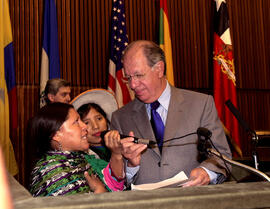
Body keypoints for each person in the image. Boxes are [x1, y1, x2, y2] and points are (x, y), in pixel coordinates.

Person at [110, 40, 232, 187]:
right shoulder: (120, 118)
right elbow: (116, 181)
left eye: (138, 75)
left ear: (159, 69)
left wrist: (207, 172)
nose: (133, 85)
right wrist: (131, 165)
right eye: (128, 77)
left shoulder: (200, 104)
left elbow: (222, 156)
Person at [29, 102, 124, 196]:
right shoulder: (53, 173)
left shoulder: (78, 160)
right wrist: (100, 191)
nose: (85, 126)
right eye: (76, 122)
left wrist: (117, 154)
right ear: (56, 135)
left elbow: (113, 186)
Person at [71, 89, 119, 162]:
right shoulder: (82, 158)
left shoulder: (120, 146)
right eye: (87, 123)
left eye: (99, 119)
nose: (96, 126)